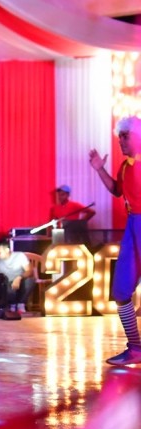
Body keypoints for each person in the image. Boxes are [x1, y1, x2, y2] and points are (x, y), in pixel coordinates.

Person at [89, 115, 141, 365]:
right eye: (119, 137)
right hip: (133, 226)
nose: (121, 141)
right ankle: (136, 348)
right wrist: (100, 169)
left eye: (125, 136)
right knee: (120, 290)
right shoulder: (125, 166)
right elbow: (116, 190)